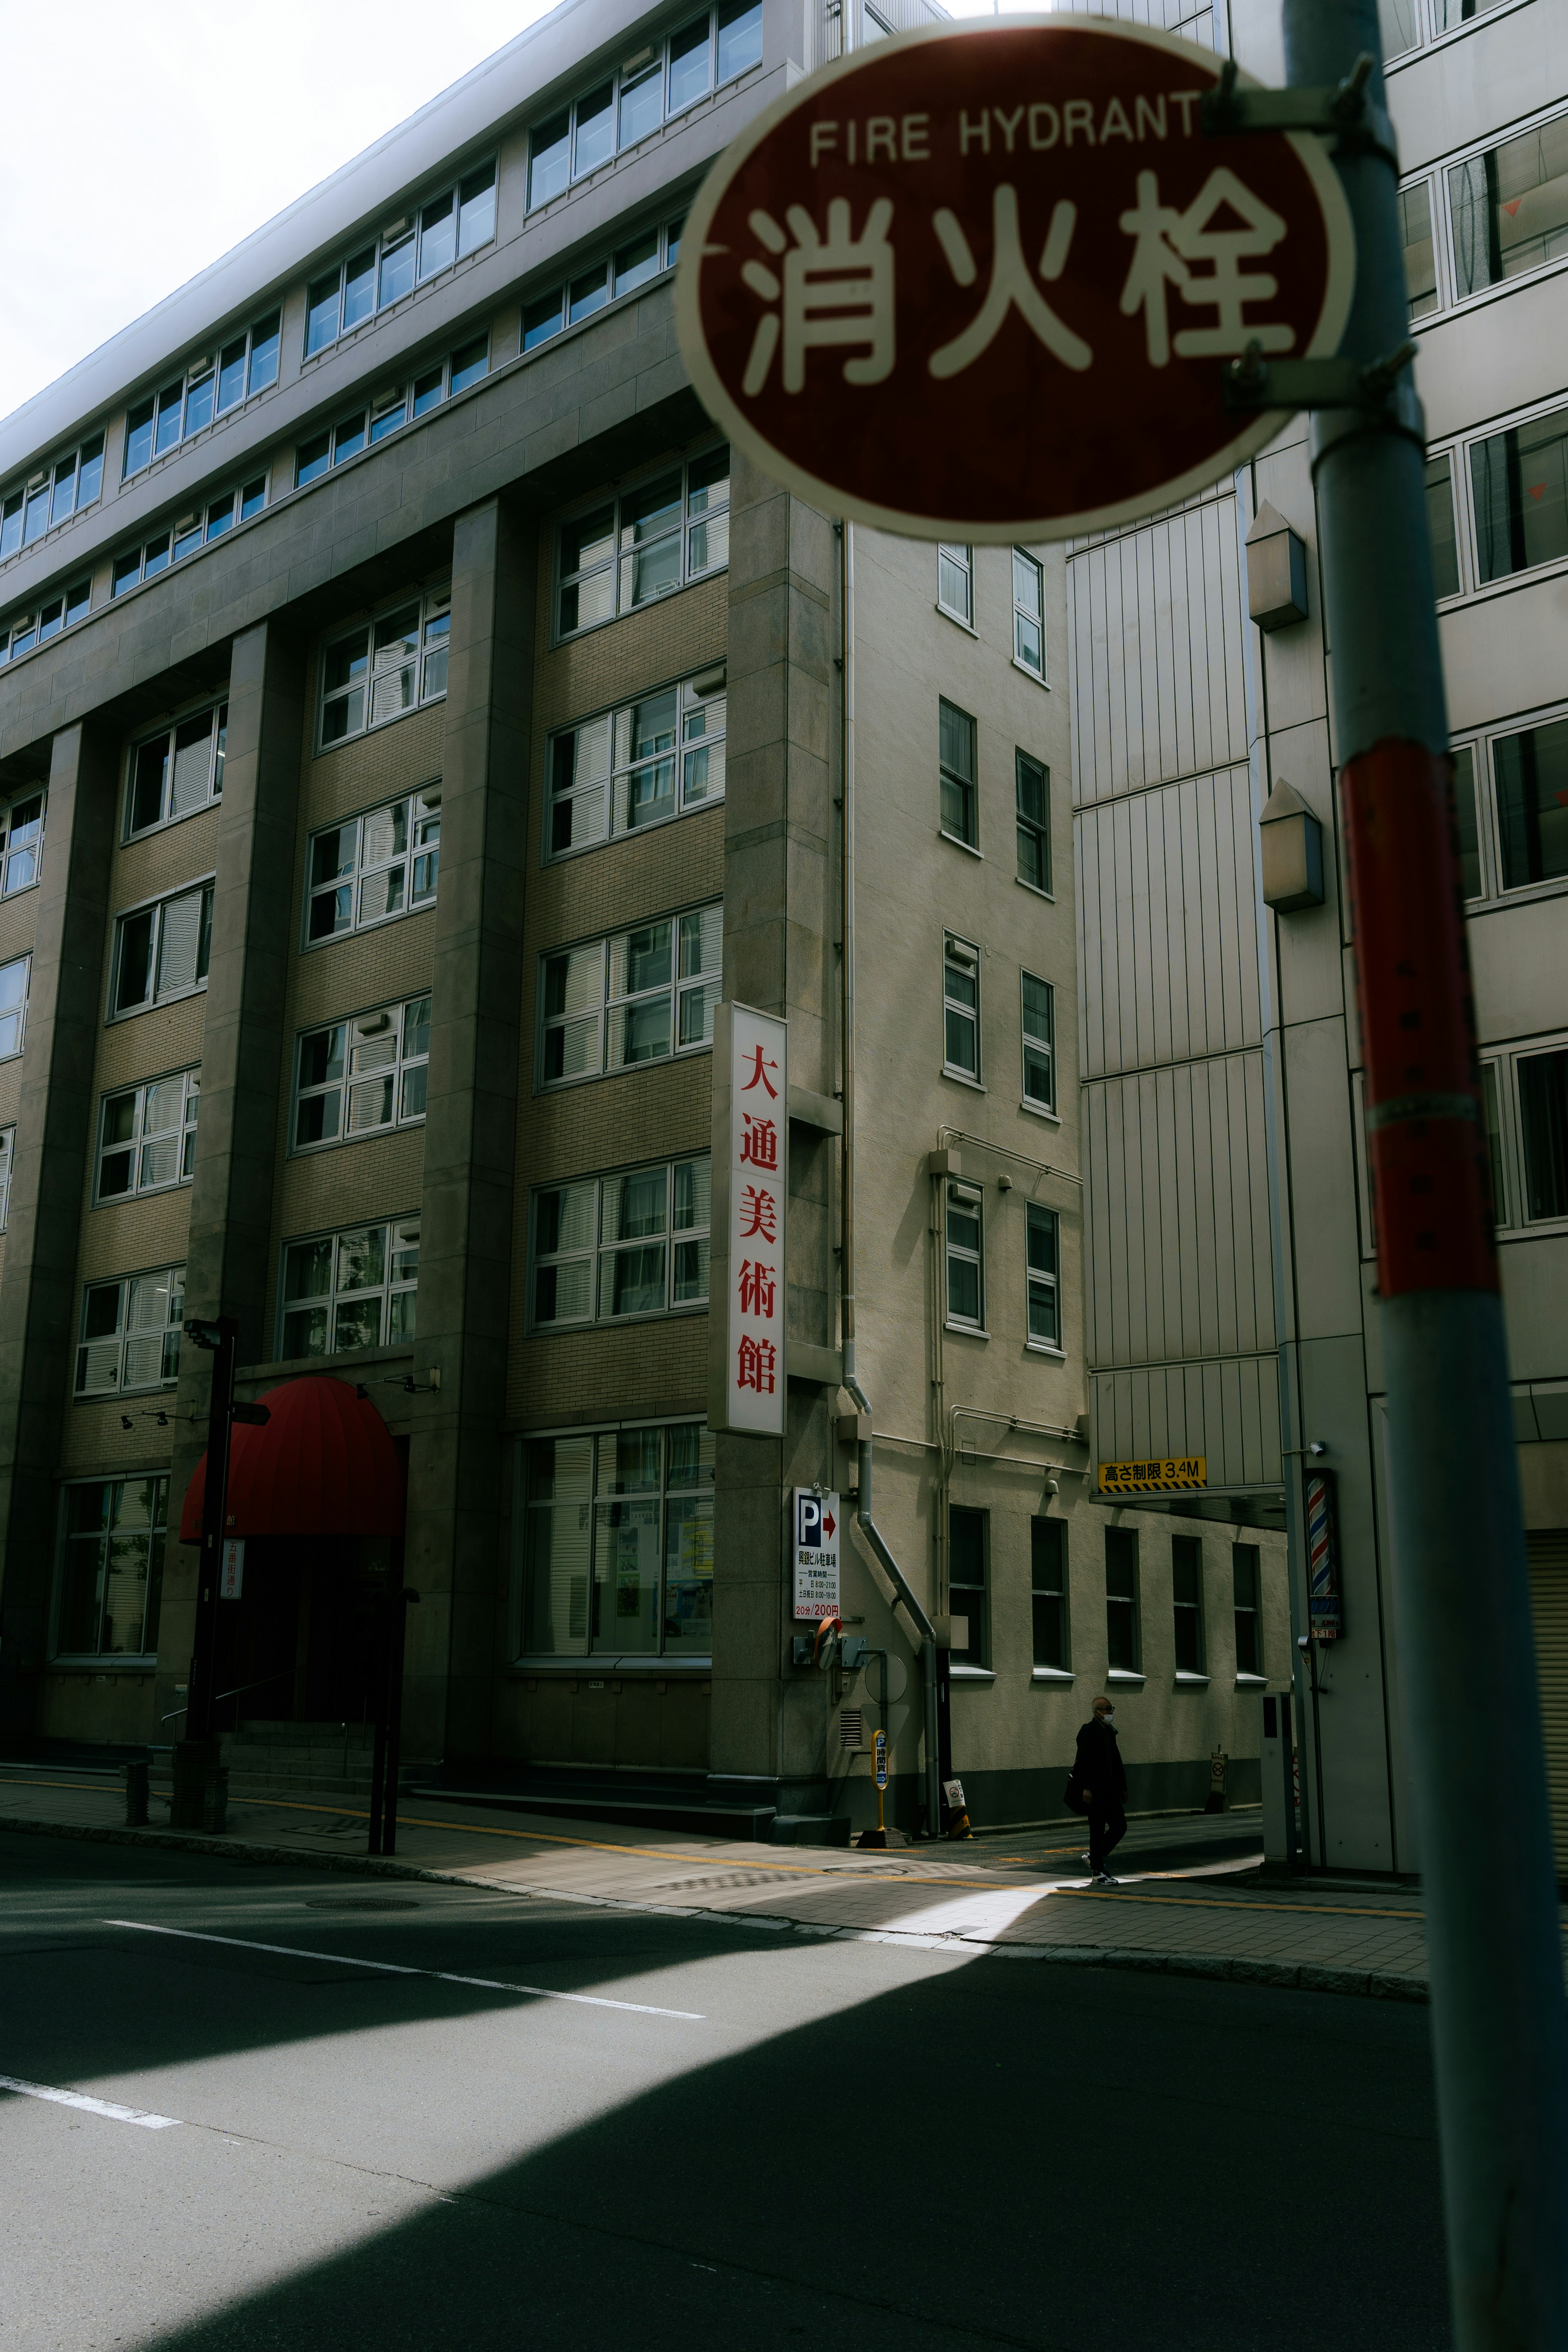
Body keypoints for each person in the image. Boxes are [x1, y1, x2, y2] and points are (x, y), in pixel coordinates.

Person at [1074, 1694, 1128, 1886]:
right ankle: (1098, 1872)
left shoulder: (1109, 1731)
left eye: (1112, 1708)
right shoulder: (1088, 1731)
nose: (1112, 1712)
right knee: (1097, 1830)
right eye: (1108, 1709)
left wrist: (1123, 1788)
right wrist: (1086, 1788)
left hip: (1110, 1791)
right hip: (1095, 1791)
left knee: (1120, 1825)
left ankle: (1094, 1857)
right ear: (1098, 1712)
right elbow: (1083, 1762)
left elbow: (1117, 1762)